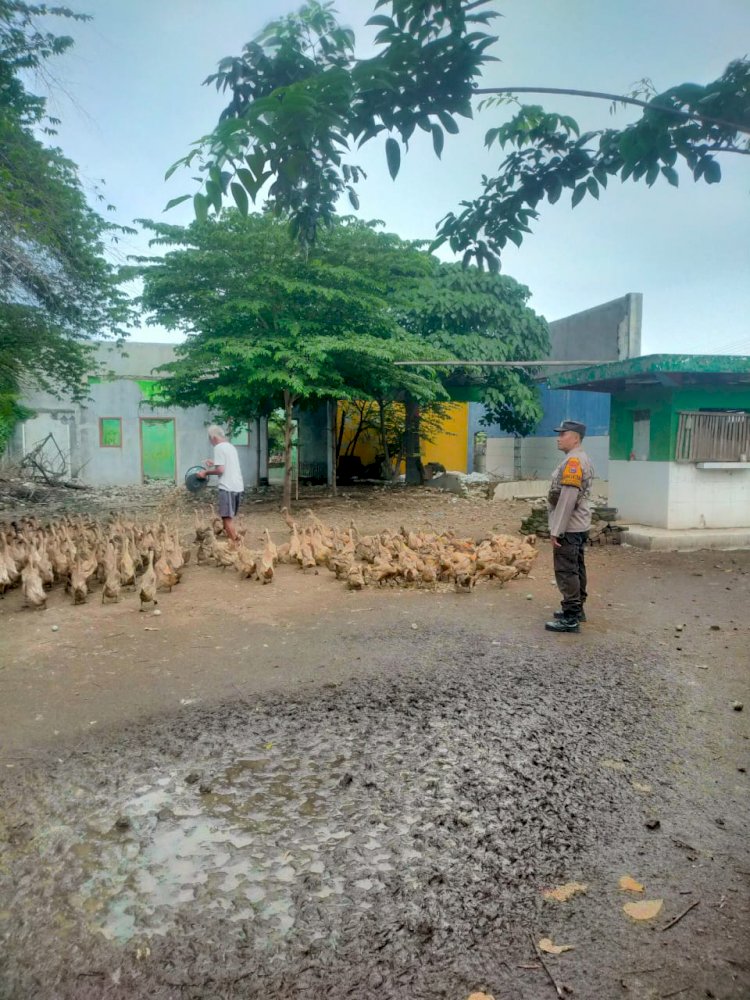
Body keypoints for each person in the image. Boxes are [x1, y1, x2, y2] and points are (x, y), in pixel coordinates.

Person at [544, 419, 594, 634]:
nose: (559, 437)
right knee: (576, 567)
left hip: (569, 526)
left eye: (563, 434)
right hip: (578, 525)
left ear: (575, 438)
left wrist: (557, 530)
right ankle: (577, 609)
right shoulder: (579, 458)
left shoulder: (573, 462)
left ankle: (571, 617)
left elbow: (567, 498)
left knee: (566, 571)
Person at [196, 424, 244, 542]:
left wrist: (205, 473)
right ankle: (234, 539)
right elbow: (227, 464)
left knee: (226, 518)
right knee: (228, 517)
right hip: (237, 487)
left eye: (209, 439)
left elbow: (220, 470)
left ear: (213, 438)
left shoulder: (218, 447)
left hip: (227, 487)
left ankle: (236, 544)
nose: (210, 442)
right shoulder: (230, 447)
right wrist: (214, 462)